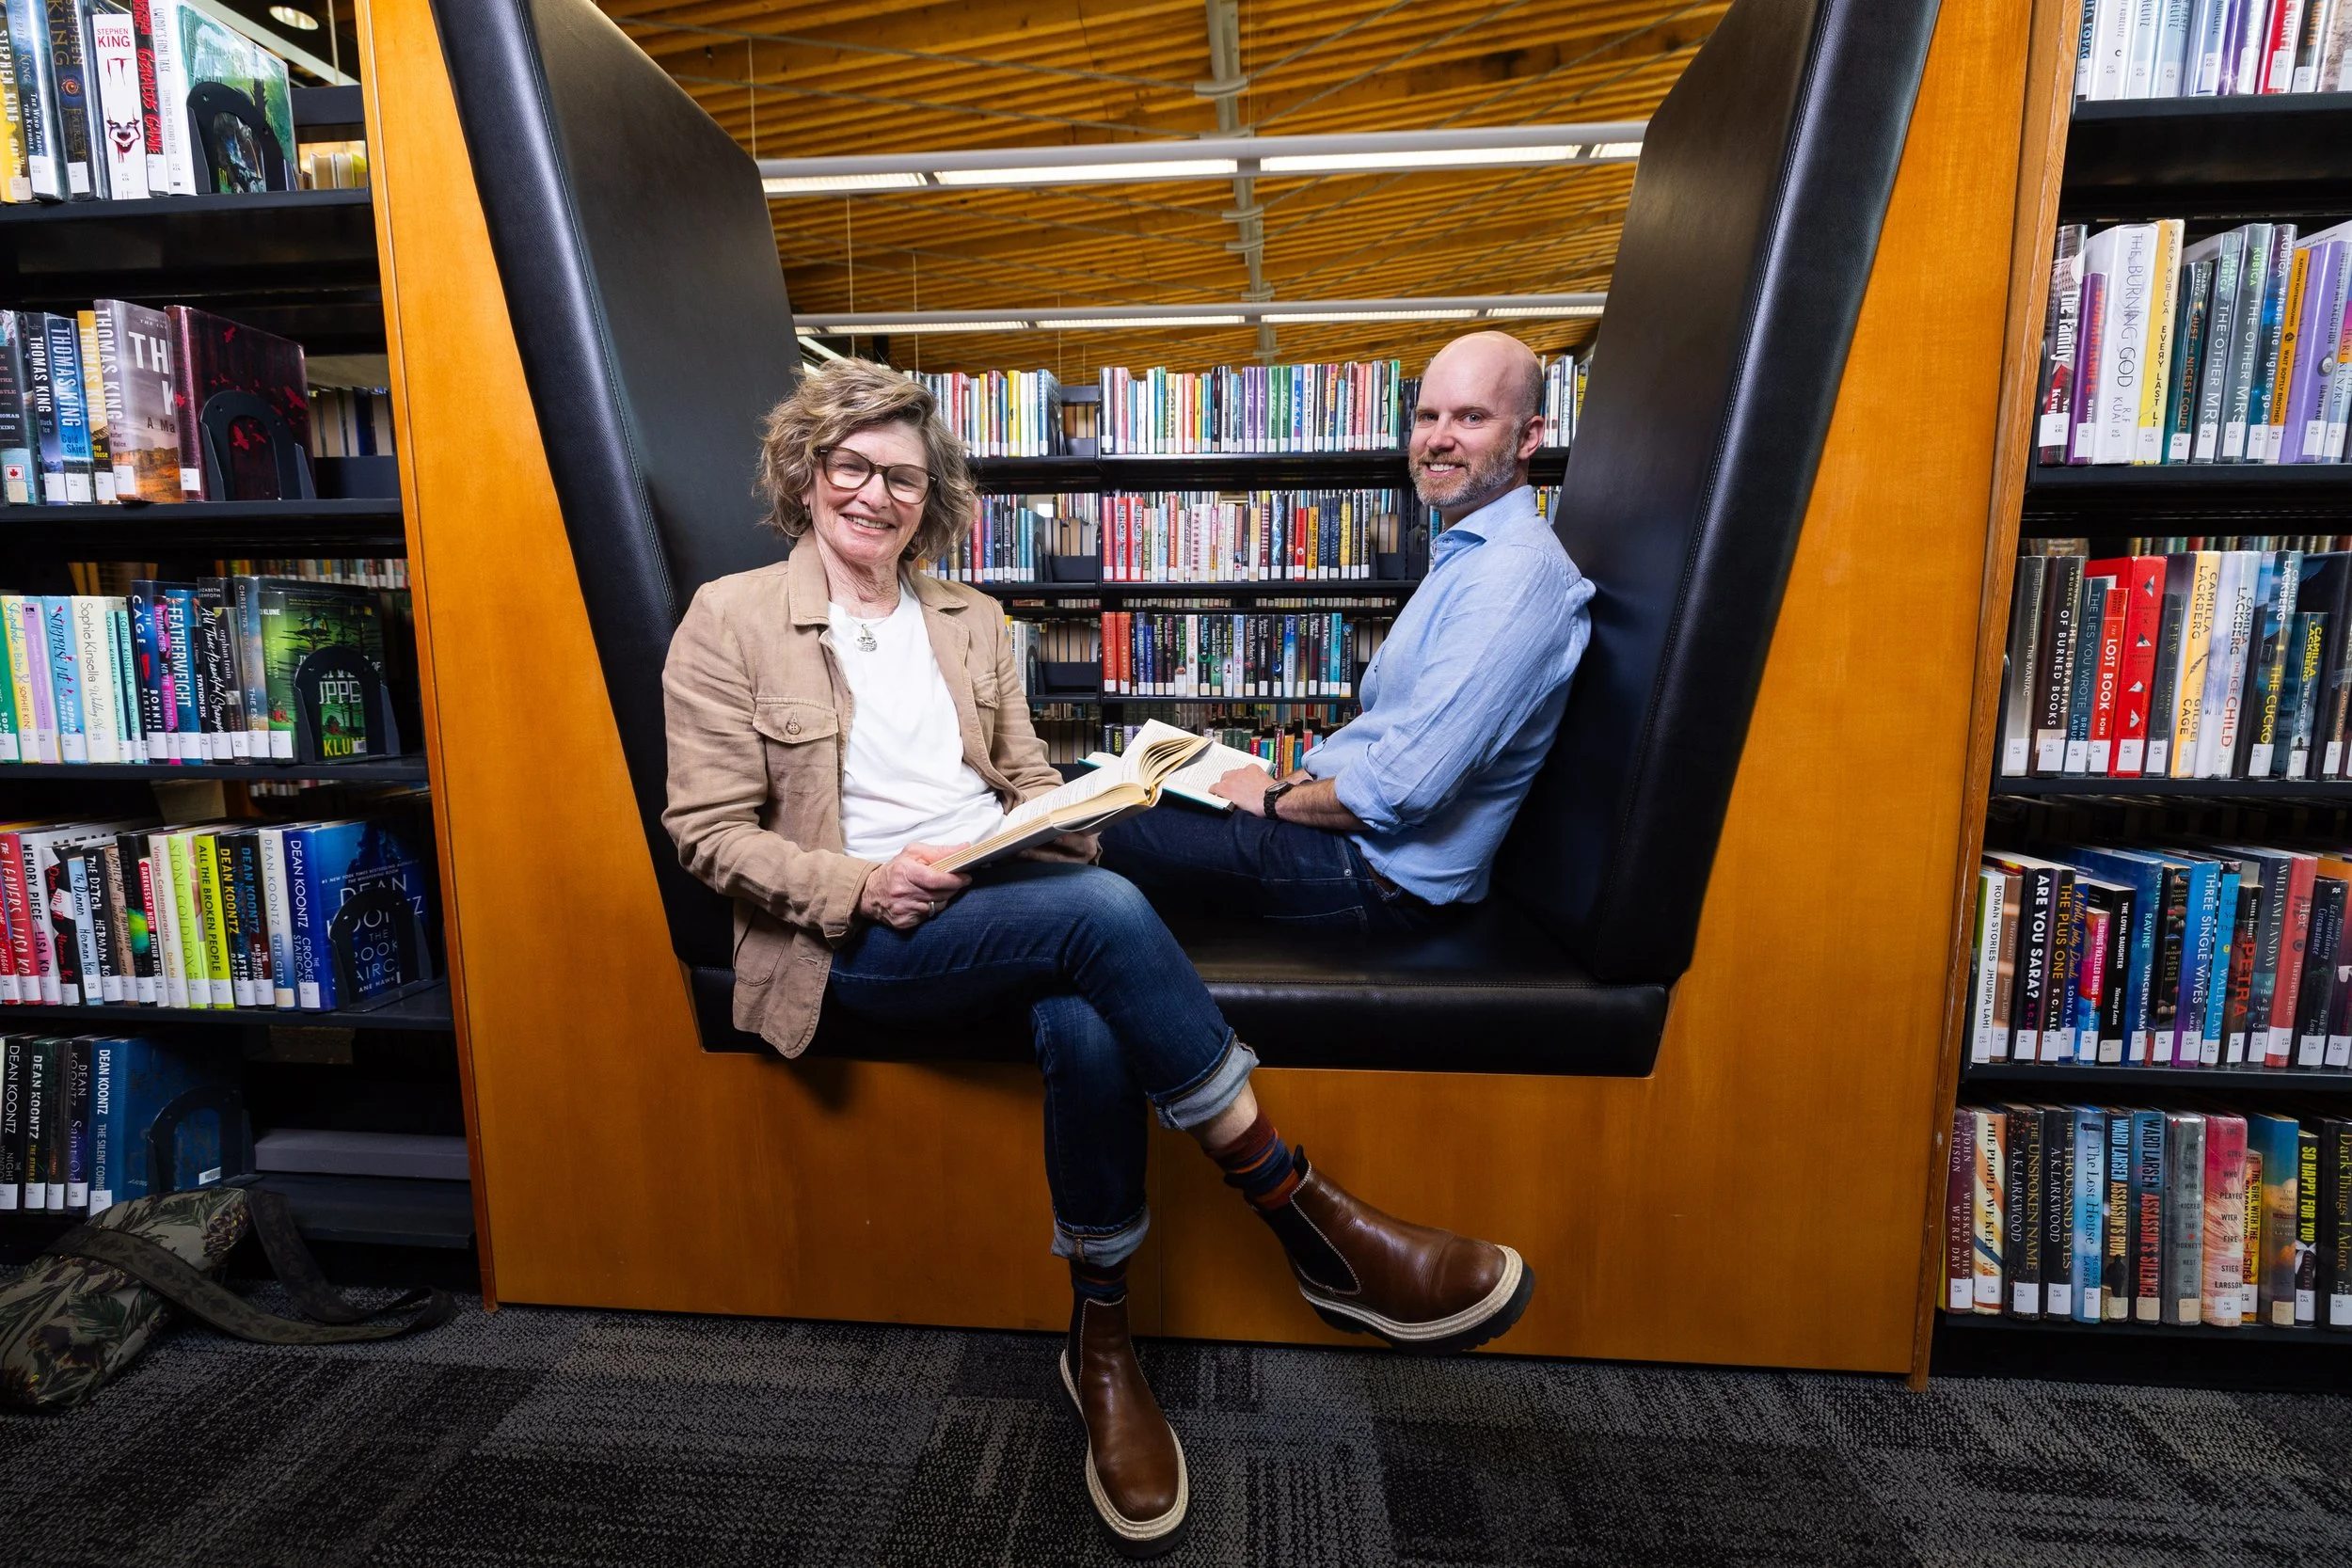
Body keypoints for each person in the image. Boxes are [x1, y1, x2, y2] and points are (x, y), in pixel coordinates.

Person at [660, 358, 1534, 1560]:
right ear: (807, 472)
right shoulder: (732, 615)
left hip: (998, 888)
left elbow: (1018, 780)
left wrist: (1095, 799)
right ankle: (1303, 1211)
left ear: (933, 496)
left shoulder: (969, 617)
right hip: (859, 933)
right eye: (851, 466)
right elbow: (707, 836)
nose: (875, 495)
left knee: (1087, 1007)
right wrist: (865, 880)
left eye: (904, 477)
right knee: (1108, 912)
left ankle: (1103, 1340)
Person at [1100, 330, 1594, 931]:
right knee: (1092, 791)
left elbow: (1403, 790)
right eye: (1427, 416)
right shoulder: (1467, 555)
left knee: (1081, 817)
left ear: (1529, 437)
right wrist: (1291, 781)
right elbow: (1388, 738)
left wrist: (1275, 798)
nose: (1438, 439)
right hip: (1355, 851)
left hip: (1379, 880)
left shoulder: (1519, 577)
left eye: (1471, 417)